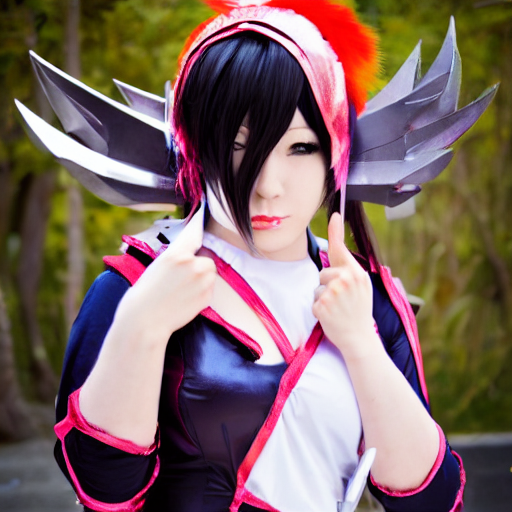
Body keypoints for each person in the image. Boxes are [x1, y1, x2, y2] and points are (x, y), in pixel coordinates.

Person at [20, 1, 498, 510]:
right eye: (237, 145)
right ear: (194, 148)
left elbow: (433, 501)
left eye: (300, 148)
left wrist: (361, 343)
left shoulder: (368, 298)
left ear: (335, 150)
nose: (269, 186)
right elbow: (102, 487)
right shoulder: (133, 285)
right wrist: (141, 326)